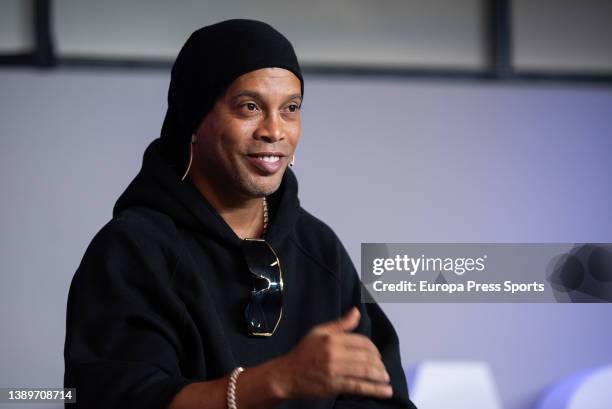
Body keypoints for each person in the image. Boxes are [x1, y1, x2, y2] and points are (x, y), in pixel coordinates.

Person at [63, 19, 417, 409]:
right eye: (249, 107)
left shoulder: (319, 248)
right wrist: (277, 381)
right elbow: (117, 400)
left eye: (290, 109)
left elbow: (382, 398)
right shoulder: (135, 249)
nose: (274, 130)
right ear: (194, 120)